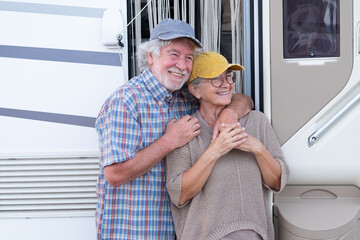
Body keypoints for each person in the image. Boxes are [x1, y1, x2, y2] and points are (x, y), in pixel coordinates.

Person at [95, 19, 253, 240]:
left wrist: (229, 113)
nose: (182, 65)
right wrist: (170, 141)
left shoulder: (185, 98)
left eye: (189, 58)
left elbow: (243, 99)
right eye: (174, 54)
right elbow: (115, 174)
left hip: (177, 231)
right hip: (134, 232)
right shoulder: (125, 101)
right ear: (151, 57)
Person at [165, 51, 290, 240]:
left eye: (229, 77)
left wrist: (256, 148)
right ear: (195, 90)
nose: (227, 84)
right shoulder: (186, 131)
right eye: (216, 79)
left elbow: (277, 182)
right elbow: (180, 194)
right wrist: (216, 150)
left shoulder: (257, 122)